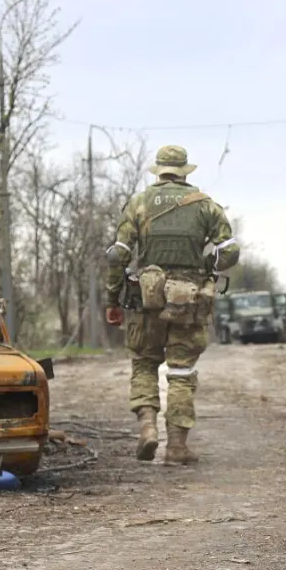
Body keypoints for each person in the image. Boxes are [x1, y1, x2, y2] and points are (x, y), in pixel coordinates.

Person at [104, 145, 240, 465]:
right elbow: (230, 251)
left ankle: (148, 427)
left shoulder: (138, 203)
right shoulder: (206, 205)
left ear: (158, 170)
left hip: (145, 300)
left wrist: (112, 299)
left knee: (144, 362)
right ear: (184, 171)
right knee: (181, 371)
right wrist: (210, 268)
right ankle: (177, 447)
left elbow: (118, 255)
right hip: (188, 301)